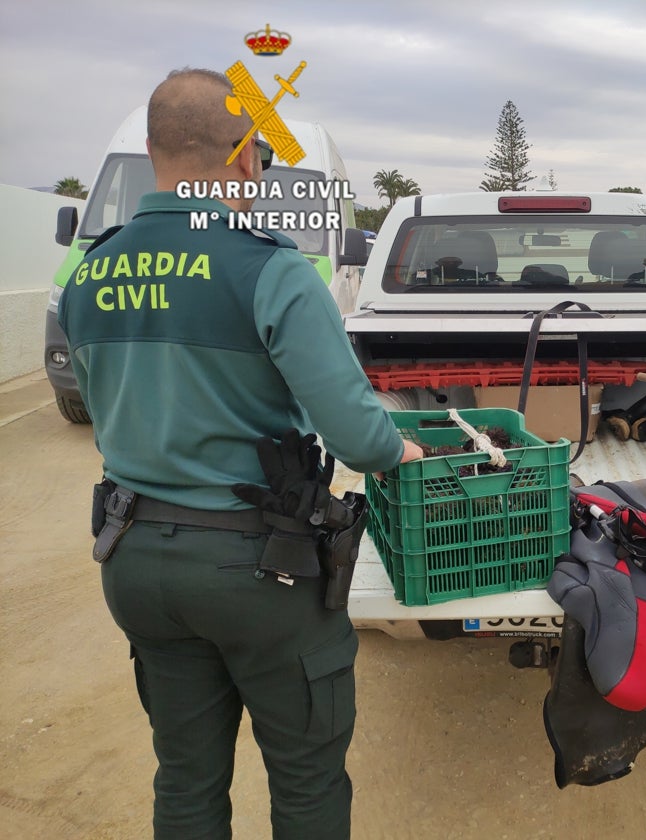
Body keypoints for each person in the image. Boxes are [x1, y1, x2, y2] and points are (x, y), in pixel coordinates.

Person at [58, 68, 421, 839]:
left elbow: (96, 400)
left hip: (135, 559)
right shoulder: (269, 268)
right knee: (306, 776)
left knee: (186, 780)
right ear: (248, 156)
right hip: (260, 570)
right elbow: (358, 435)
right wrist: (406, 450)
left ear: (153, 151)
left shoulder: (91, 271)